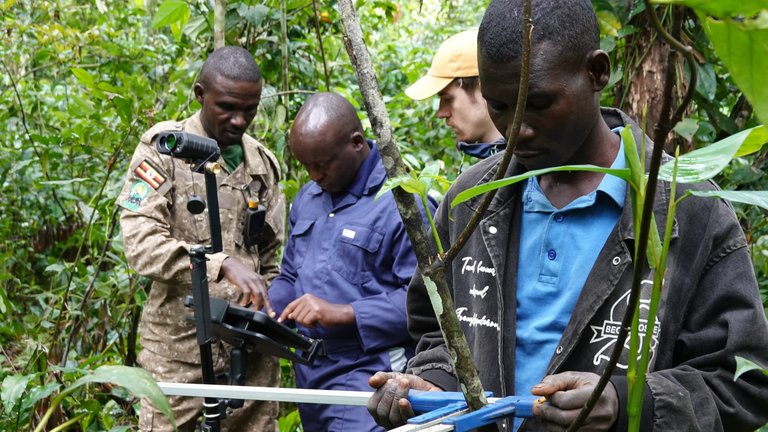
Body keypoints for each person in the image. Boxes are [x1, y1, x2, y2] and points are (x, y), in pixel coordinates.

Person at [368, 1, 768, 431]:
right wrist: (433, 382)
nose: (516, 129)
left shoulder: (689, 211)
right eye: (498, 106)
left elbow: (745, 382)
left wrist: (626, 402)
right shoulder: (471, 200)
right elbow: (436, 329)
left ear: (597, 72)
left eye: (539, 103)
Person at [117, 46, 285, 431]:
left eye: (249, 109)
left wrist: (271, 307)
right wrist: (219, 265)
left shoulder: (262, 166)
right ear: (200, 94)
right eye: (226, 107)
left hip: (249, 358)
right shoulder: (163, 150)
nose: (239, 120)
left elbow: (270, 258)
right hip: (180, 355)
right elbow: (140, 244)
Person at [267, 92, 436, 432]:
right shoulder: (308, 197)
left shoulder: (403, 202)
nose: (314, 175)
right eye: (306, 166)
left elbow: (429, 303)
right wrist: (268, 309)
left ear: (357, 143)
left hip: (369, 371)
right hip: (310, 371)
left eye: (322, 164)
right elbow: (291, 274)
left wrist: (344, 313)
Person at [405, 28, 505, 161]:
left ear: (485, 89)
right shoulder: (500, 159)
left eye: (448, 99)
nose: (441, 113)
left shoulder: (524, 164)